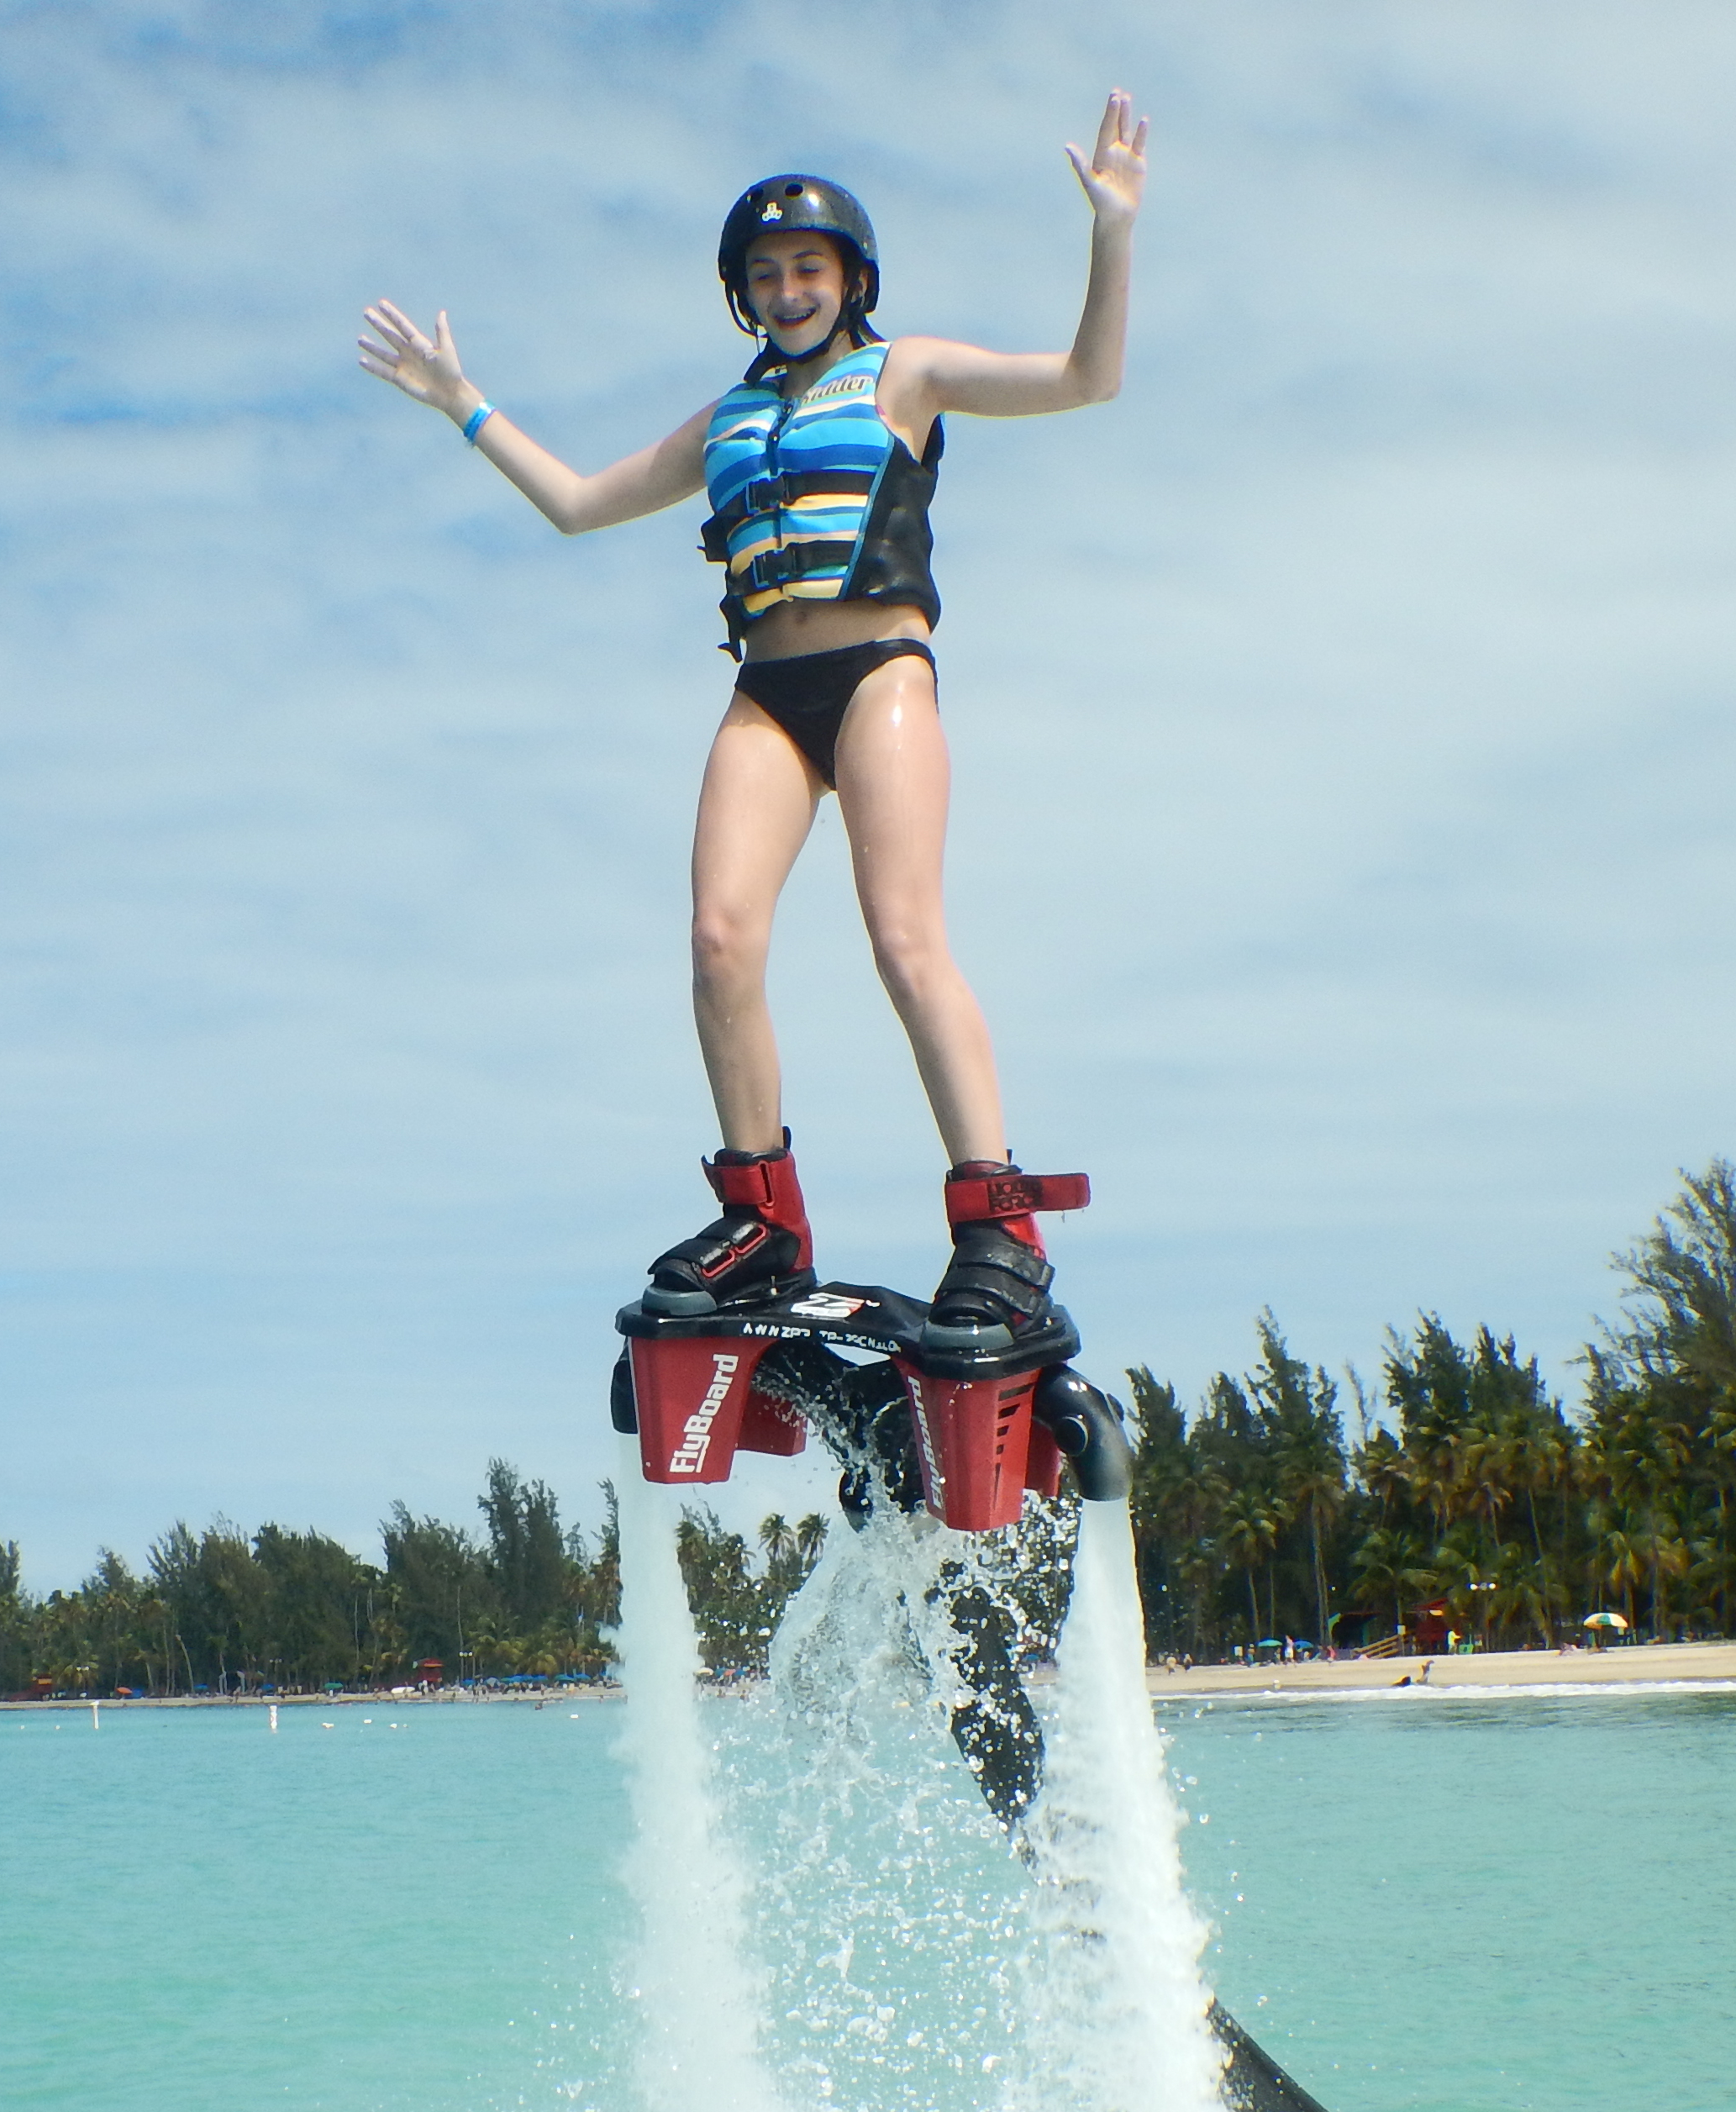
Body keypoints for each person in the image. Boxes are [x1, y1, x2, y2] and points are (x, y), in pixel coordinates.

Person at [358, 97, 1148, 1330]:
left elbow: (1088, 379)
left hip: (880, 667)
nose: (788, 290)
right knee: (720, 940)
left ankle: (999, 1226)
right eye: (767, 274)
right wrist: (466, 404)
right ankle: (764, 1220)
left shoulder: (909, 373)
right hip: (767, 692)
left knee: (903, 939)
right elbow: (575, 502)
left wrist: (1112, 234)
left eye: (809, 269)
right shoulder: (725, 420)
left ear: (851, 279)